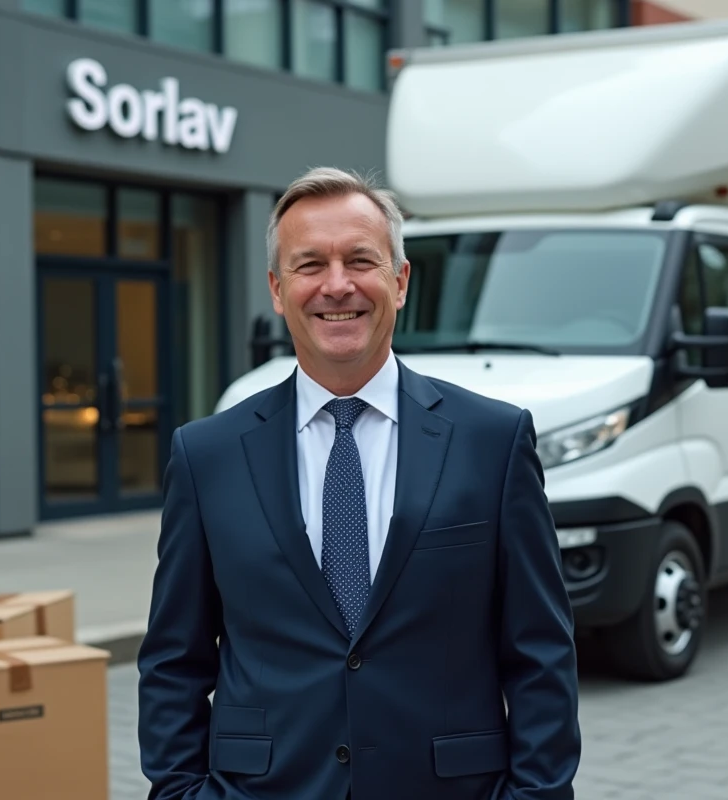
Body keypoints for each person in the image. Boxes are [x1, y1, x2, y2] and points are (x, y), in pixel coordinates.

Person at [136, 166, 581, 800]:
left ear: (399, 282)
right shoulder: (206, 454)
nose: (337, 285)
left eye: (360, 260)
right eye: (310, 264)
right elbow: (173, 661)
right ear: (277, 289)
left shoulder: (493, 441)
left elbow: (540, 652)